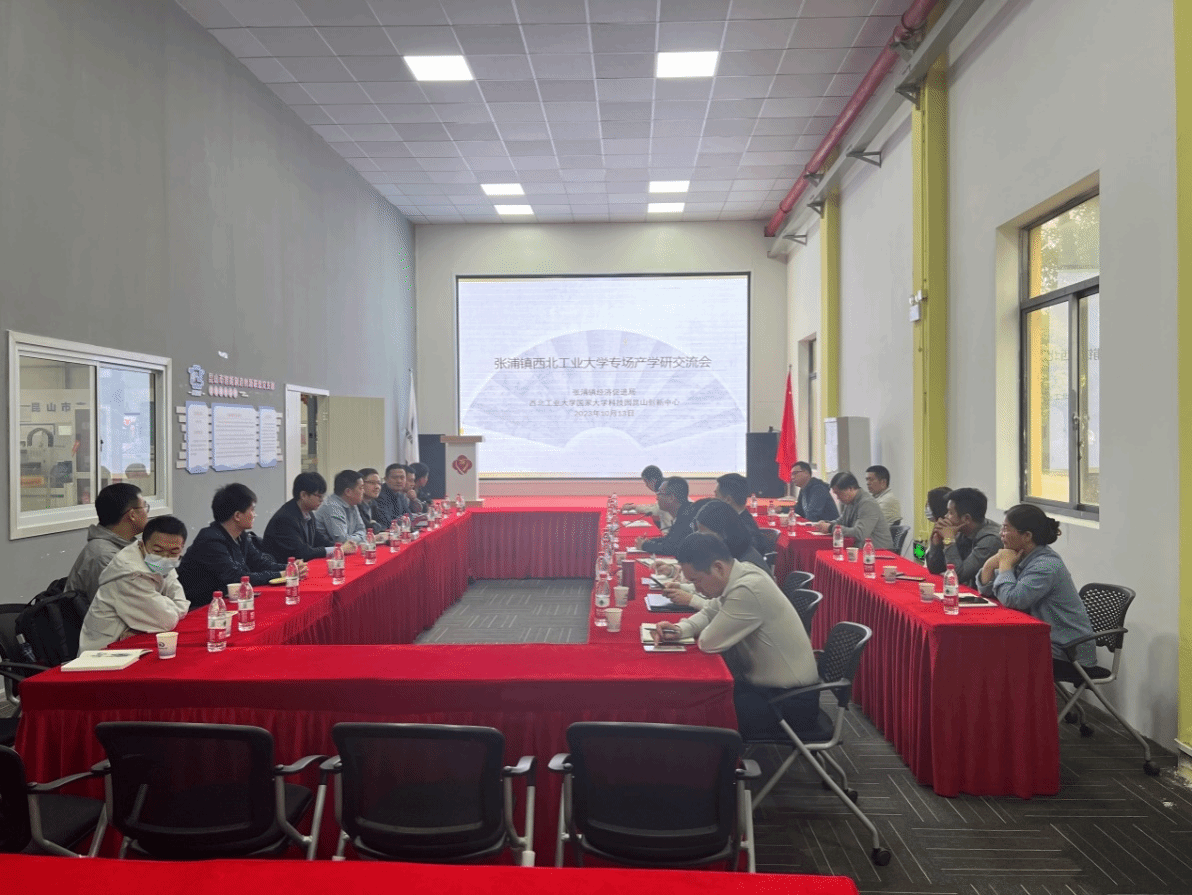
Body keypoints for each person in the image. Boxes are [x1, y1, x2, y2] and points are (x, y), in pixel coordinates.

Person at [652, 534, 821, 740]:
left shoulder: (748, 588)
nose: (696, 589)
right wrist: (679, 629)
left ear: (718, 567)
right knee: (701, 697)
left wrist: (694, 626)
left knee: (700, 706)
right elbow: (709, 611)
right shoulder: (740, 574)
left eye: (697, 580)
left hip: (789, 704)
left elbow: (708, 642)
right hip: (772, 691)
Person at [977, 504, 1097, 673]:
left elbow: (1013, 600)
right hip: (1041, 640)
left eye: (1006, 529)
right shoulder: (1020, 556)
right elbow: (988, 591)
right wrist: (990, 565)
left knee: (990, 653)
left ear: (1027, 536)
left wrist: (1004, 567)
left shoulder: (1045, 565)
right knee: (985, 647)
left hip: (1066, 652)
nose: (1001, 534)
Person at [78, 515, 190, 653]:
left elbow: (182, 603)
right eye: (158, 551)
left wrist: (163, 607)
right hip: (105, 651)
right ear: (142, 545)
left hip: (134, 642)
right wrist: (166, 607)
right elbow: (167, 621)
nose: (165, 558)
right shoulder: (128, 573)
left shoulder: (163, 562)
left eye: (174, 552)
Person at [178, 483, 294, 609]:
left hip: (225, 602)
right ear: (237, 516)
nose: (255, 514)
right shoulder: (210, 540)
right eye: (252, 510)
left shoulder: (241, 536)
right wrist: (280, 574)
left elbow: (258, 562)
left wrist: (289, 567)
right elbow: (235, 578)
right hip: (201, 607)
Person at [664, 500, 772, 610]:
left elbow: (728, 607)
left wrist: (692, 600)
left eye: (705, 534)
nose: (700, 539)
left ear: (723, 533)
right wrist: (683, 587)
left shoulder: (747, 563)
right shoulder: (734, 552)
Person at [65, 483, 148, 603]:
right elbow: (125, 607)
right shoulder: (104, 557)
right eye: (145, 507)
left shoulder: (126, 546)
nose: (147, 513)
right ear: (132, 515)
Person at [262, 472, 357, 562]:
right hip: (284, 569)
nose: (322, 500)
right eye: (319, 496)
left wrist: (339, 546)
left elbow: (318, 540)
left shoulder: (308, 513)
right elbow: (302, 552)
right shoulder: (285, 519)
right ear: (303, 495)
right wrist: (338, 549)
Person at [925, 487, 1001, 586]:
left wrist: (949, 540)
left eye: (950, 513)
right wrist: (937, 543)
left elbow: (958, 575)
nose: (946, 516)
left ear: (966, 518)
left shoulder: (991, 540)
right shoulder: (960, 529)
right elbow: (935, 569)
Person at [813, 471, 893, 550]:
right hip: (862, 548)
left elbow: (860, 533)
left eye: (839, 493)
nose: (837, 498)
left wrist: (830, 528)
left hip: (878, 551)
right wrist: (827, 523)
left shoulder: (867, 503)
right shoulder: (850, 502)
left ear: (850, 489)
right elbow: (841, 521)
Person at [637, 476, 700, 555]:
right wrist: (650, 541)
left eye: (659, 493)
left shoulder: (686, 517)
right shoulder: (685, 511)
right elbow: (670, 539)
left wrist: (644, 545)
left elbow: (671, 548)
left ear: (671, 498)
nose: (657, 498)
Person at [715, 472, 769, 555]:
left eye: (716, 495)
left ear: (728, 500)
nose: (714, 500)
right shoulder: (735, 520)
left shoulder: (744, 531)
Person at [314, 470, 369, 545]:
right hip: (327, 550)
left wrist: (358, 537)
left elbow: (362, 530)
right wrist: (361, 537)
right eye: (361, 488)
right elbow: (342, 540)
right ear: (348, 492)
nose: (364, 492)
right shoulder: (332, 506)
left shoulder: (352, 503)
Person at [623, 465, 673, 532]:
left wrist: (635, 507)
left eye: (646, 482)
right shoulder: (666, 486)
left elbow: (655, 511)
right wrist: (635, 507)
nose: (646, 485)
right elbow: (656, 507)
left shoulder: (665, 491)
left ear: (653, 481)